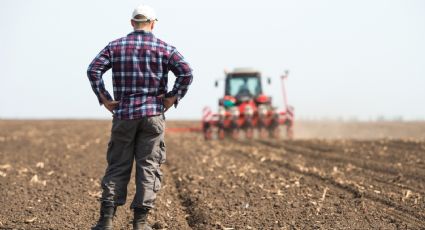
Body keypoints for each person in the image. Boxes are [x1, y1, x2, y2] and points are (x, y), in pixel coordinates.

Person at [86, 4, 193, 230]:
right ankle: (140, 223)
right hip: (153, 114)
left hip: (124, 114)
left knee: (118, 165)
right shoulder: (165, 48)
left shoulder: (115, 47)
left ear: (132, 23)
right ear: (153, 23)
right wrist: (172, 97)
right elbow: (186, 72)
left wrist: (105, 99)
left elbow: (93, 69)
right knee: (149, 166)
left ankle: (106, 221)